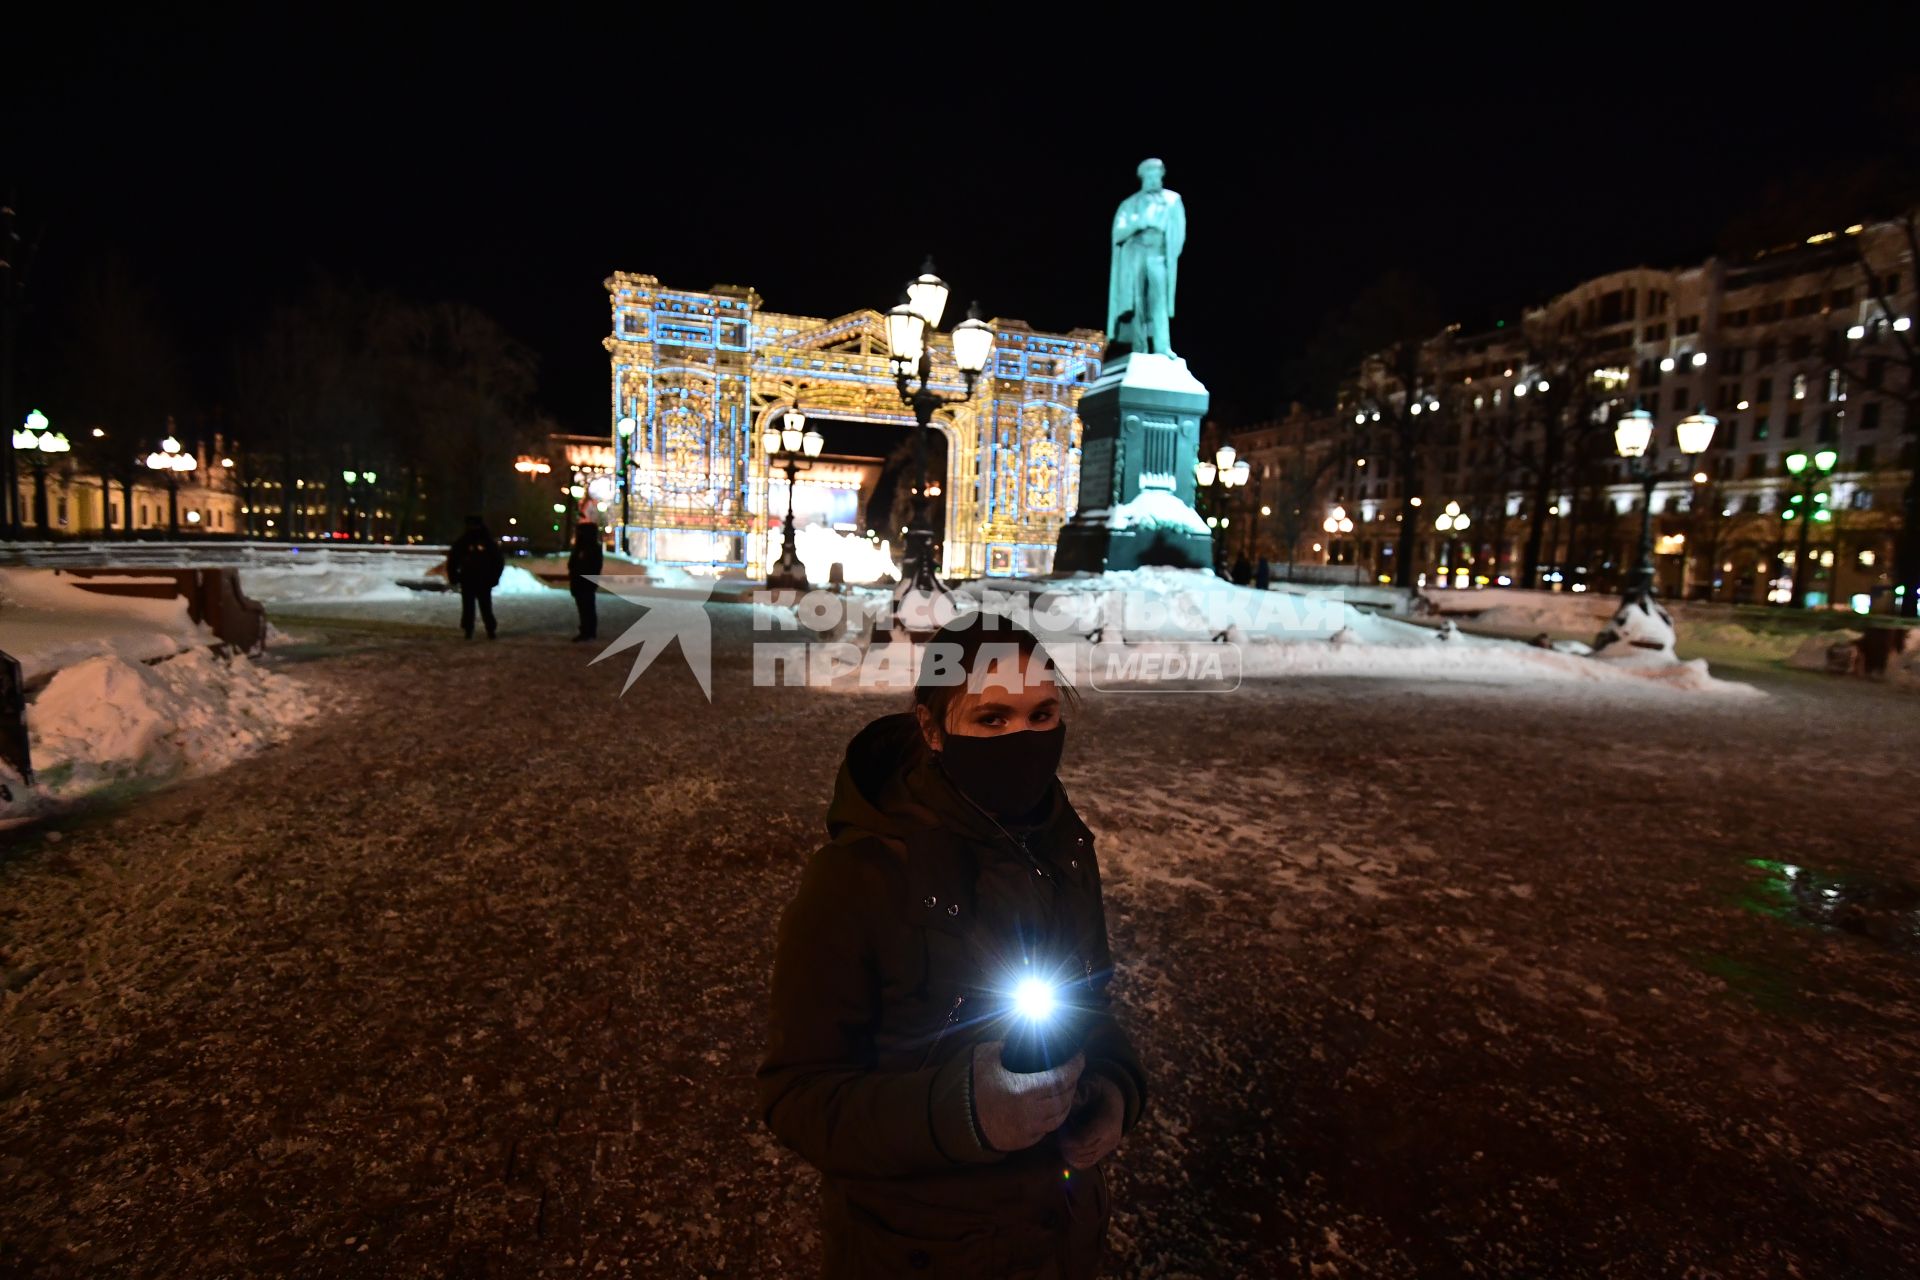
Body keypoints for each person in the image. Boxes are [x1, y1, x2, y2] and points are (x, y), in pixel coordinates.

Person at [759, 615, 1147, 1279]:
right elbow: (796, 1097)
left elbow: (1090, 1004)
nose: (1023, 741)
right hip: (920, 1249)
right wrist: (961, 1113)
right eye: (991, 720)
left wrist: (1115, 1090)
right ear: (932, 728)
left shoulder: (1063, 849)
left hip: (1060, 1235)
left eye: (1042, 714)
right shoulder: (859, 876)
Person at [446, 515, 504, 640]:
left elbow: (453, 561)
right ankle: (486, 629)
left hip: (473, 578)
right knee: (481, 606)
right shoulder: (485, 541)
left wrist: (454, 577)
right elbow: (498, 561)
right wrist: (494, 577)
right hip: (478, 579)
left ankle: (475, 629)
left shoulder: (466, 541)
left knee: (473, 606)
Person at [567, 520, 603, 642]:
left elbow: (593, 566)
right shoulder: (580, 547)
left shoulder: (592, 548)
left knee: (587, 607)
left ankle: (589, 631)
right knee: (583, 608)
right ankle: (586, 630)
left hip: (586, 583)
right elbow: (572, 564)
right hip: (579, 582)